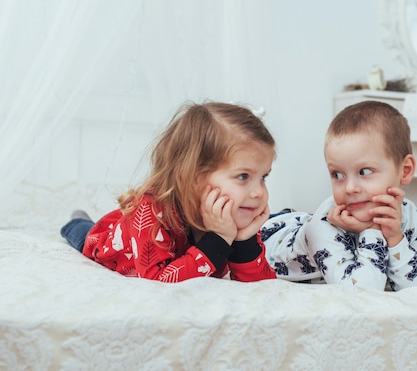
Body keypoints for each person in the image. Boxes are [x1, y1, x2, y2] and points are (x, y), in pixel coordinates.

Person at [60, 101, 276, 283]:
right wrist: (219, 239)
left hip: (135, 232)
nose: (258, 192)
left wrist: (243, 242)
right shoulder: (151, 211)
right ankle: (77, 220)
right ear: (195, 177)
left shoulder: (231, 216)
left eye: (263, 177)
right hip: (107, 242)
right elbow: (158, 280)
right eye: (243, 177)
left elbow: (262, 287)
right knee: (85, 235)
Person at [261, 100, 417, 291]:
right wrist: (372, 230)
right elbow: (362, 291)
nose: (350, 188)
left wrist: (395, 239)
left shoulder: (412, 217)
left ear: (405, 170)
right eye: (337, 175)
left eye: (365, 172)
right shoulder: (324, 227)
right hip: (268, 233)